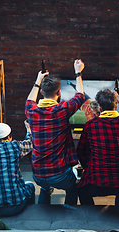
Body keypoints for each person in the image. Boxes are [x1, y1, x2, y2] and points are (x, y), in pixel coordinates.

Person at [25, 59, 85, 205]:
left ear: (41, 92)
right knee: (73, 188)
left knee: (45, 189)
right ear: (59, 92)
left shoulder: (31, 111)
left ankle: (44, 217)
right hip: (59, 174)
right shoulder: (63, 109)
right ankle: (69, 216)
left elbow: (29, 100)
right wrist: (78, 72)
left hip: (37, 174)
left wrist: (38, 80)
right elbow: (81, 95)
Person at [77, 89, 119, 205]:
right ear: (116, 107)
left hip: (95, 181)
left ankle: (90, 216)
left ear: (100, 108)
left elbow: (81, 151)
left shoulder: (90, 125)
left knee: (81, 190)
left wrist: (88, 166)